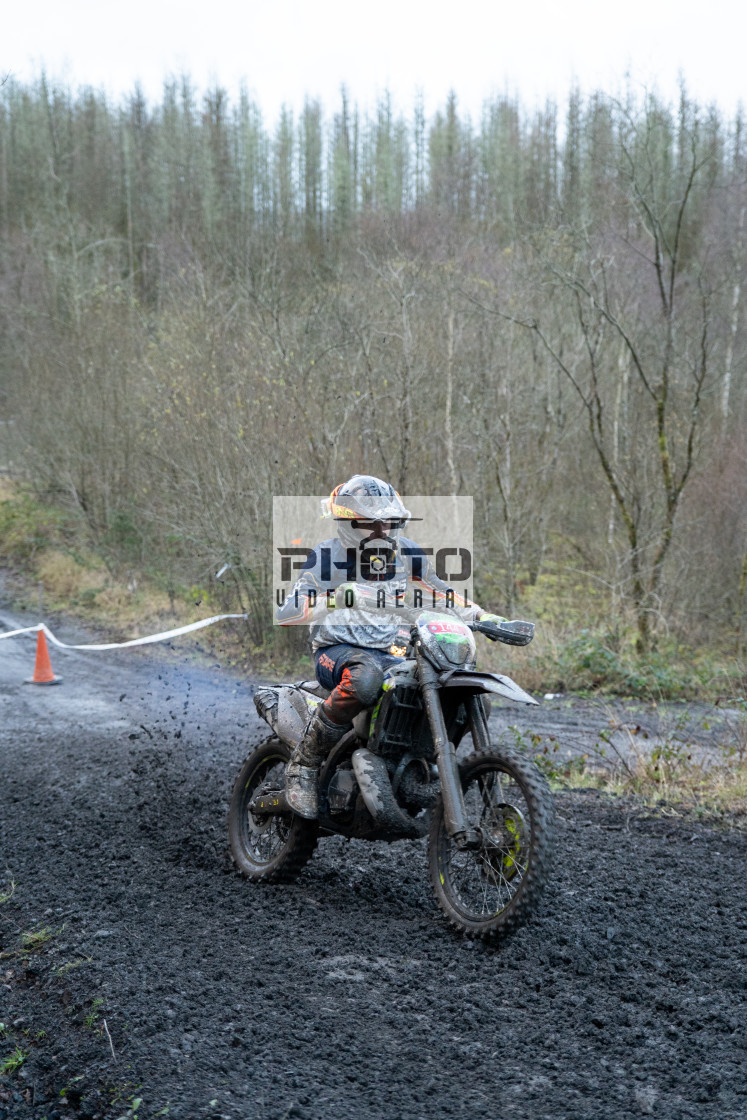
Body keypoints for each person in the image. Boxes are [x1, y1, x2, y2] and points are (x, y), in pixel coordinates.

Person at [276, 474, 506, 818]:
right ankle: (304, 764)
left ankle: (423, 766)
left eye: (388, 521)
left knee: (461, 694)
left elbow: (440, 593)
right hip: (336, 651)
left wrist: (486, 618)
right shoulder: (326, 556)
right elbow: (288, 611)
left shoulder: (407, 553)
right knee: (365, 679)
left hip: (387, 652)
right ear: (348, 522)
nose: (381, 530)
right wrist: (336, 598)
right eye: (371, 522)